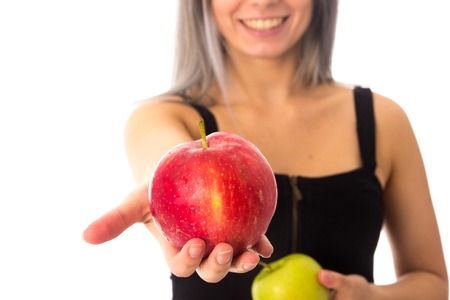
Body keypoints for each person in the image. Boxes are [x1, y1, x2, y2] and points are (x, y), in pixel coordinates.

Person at [83, 0, 448, 299]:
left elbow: (433, 282)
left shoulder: (382, 120)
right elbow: (162, 155)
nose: (263, 2)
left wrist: (369, 297)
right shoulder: (162, 116)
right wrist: (166, 191)